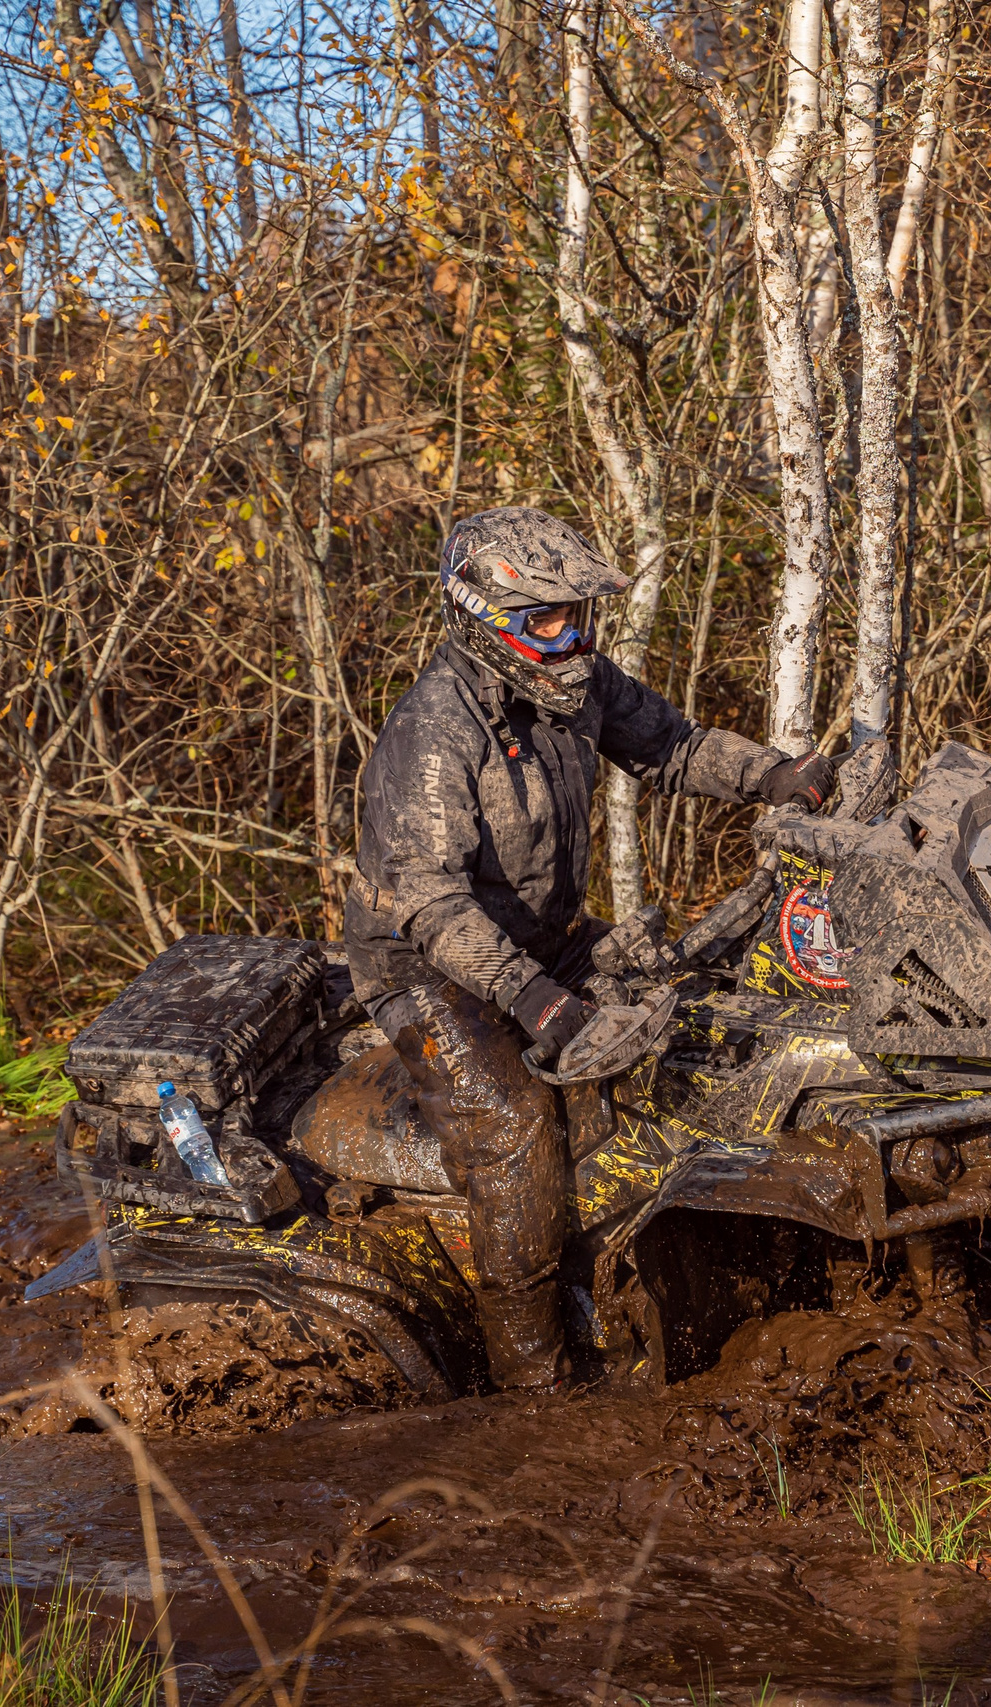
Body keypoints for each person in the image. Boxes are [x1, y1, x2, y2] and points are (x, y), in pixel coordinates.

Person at [345, 506, 833, 1391]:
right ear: (483, 618)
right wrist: (533, 997)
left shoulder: (575, 683)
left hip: (542, 938)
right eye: (547, 620)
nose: (570, 636)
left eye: (577, 614)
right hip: (428, 968)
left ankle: (652, 1273)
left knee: (697, 1019)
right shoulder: (434, 732)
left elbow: (672, 746)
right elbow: (427, 901)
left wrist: (772, 774)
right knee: (518, 1138)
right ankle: (533, 1381)